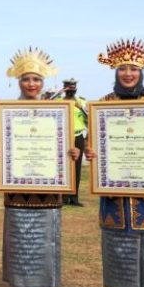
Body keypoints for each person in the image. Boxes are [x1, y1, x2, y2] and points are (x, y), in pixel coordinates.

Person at [86, 38, 144, 287]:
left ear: (141, 72)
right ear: (115, 72)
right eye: (122, 69)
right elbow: (97, 142)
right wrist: (92, 153)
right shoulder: (103, 105)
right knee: (117, 239)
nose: (127, 73)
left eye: (132, 69)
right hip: (114, 188)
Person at [0, 48, 80, 287]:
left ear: (43, 82)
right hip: (17, 183)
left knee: (45, 234)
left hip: (49, 185)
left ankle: (41, 285)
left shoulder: (57, 111)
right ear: (18, 81)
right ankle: (20, 284)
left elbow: (66, 145)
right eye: (26, 79)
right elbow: (0, 144)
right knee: (19, 231)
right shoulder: (7, 112)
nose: (31, 84)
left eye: (36, 79)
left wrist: (72, 153)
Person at [57, 78, 87, 207]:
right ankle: (63, 197)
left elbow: (89, 117)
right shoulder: (57, 101)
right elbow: (44, 103)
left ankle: (74, 198)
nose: (71, 89)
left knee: (77, 168)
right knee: (62, 167)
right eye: (68, 87)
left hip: (78, 136)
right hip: (62, 137)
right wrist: (59, 92)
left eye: (73, 87)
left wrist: (80, 106)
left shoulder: (82, 101)